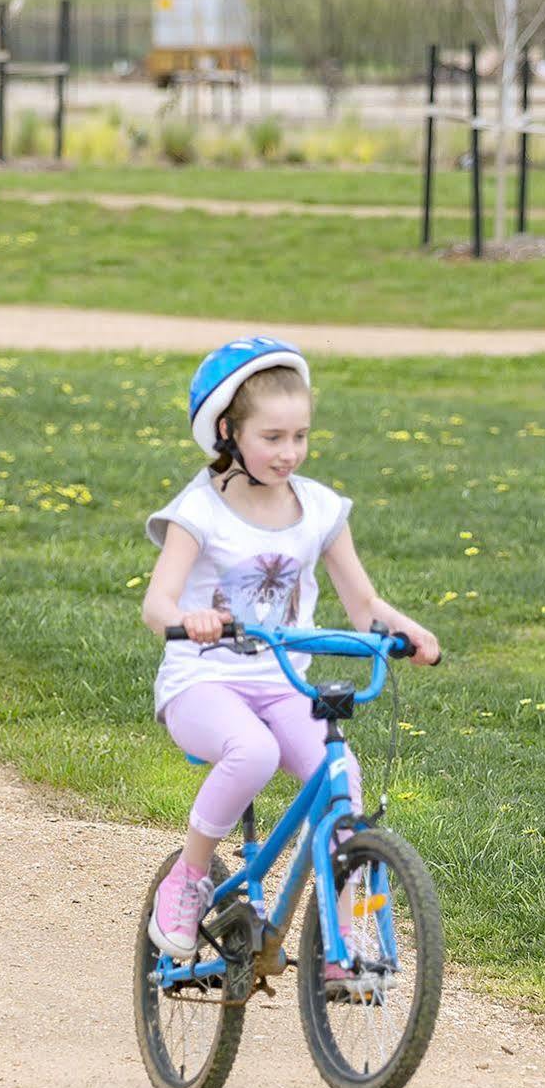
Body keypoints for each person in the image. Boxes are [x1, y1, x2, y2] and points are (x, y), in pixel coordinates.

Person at [139, 337, 440, 963]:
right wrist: (189, 619)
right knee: (252, 750)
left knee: (343, 778)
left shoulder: (320, 508)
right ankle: (189, 875)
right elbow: (156, 604)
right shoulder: (202, 510)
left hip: (282, 682)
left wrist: (405, 631)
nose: (289, 452)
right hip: (203, 682)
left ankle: (343, 943)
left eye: (300, 436)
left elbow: (364, 605)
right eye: (272, 437)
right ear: (228, 432)